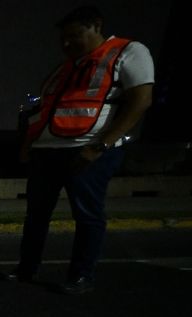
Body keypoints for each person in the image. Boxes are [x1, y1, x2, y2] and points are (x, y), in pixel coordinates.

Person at [10, 5, 154, 294]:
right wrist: (28, 146)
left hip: (86, 150)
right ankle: (26, 268)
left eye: (74, 36)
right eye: (63, 39)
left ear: (97, 26)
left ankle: (81, 276)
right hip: (45, 151)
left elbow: (141, 100)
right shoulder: (66, 68)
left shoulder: (128, 51)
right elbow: (44, 111)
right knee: (36, 215)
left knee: (87, 215)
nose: (66, 44)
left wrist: (100, 146)